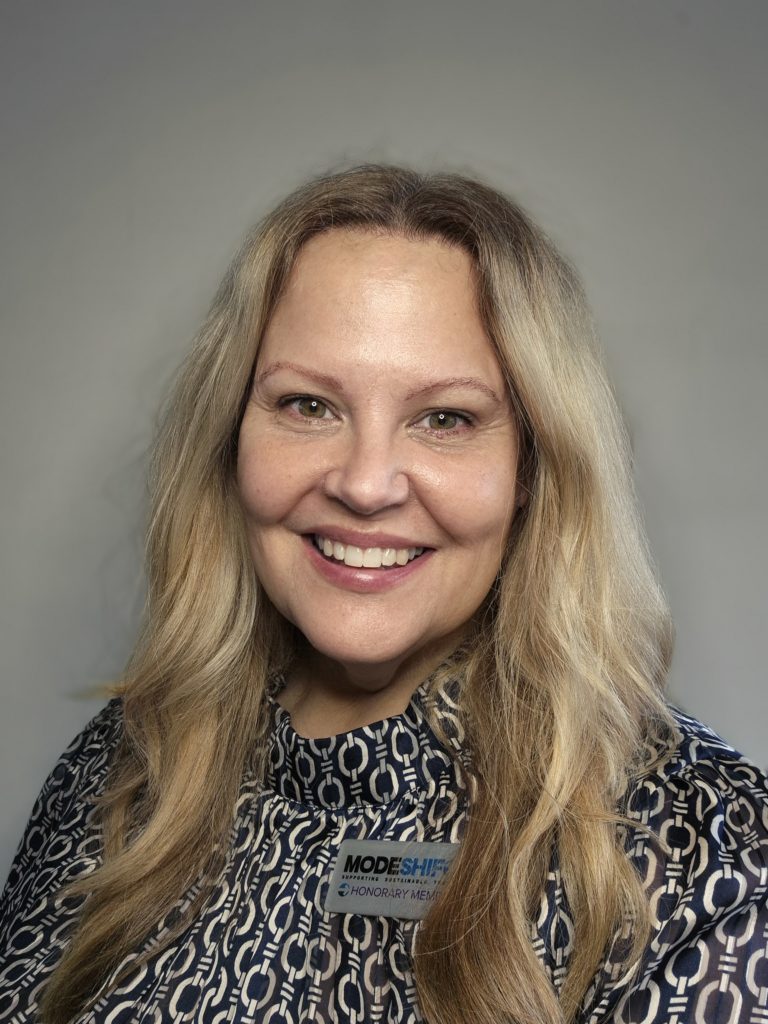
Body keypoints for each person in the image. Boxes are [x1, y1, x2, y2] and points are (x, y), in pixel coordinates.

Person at [0, 164, 766, 1024]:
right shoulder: (118, 773)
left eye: (446, 418)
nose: (366, 485)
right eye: (307, 405)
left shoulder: (709, 848)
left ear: (530, 469)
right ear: (231, 440)